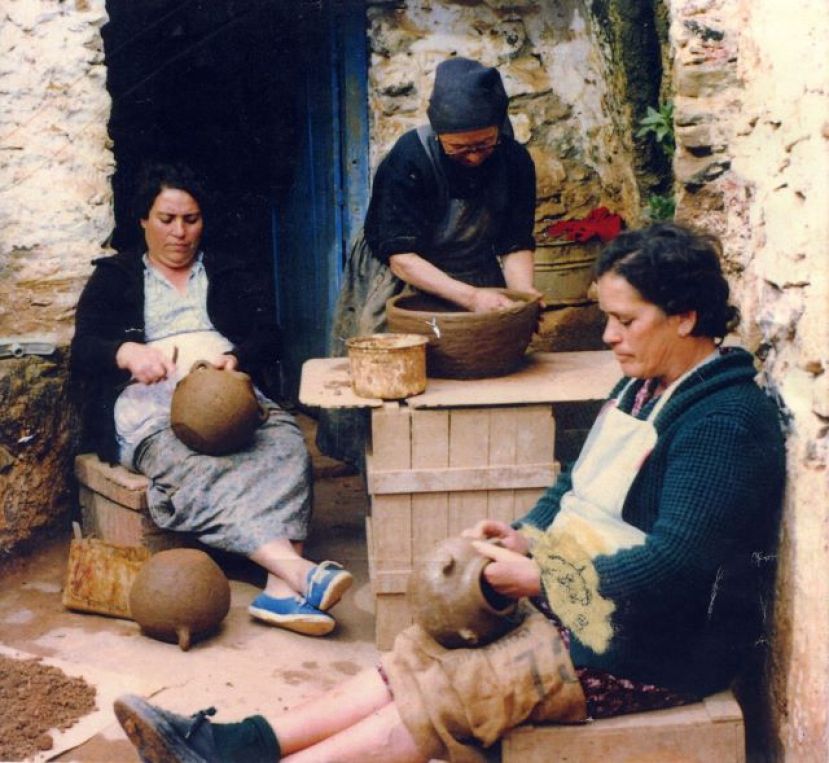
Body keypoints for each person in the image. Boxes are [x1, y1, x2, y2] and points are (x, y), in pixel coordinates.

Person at [113, 222, 786, 763]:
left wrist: (541, 573)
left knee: (460, 690)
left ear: (685, 316)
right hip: (591, 605)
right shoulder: (643, 383)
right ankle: (238, 745)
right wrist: (525, 533)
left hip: (658, 643)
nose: (607, 336)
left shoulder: (722, 420)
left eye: (624, 321)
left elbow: (677, 567)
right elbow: (573, 485)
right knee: (424, 649)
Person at [71, 162, 353, 637]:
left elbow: (269, 334)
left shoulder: (226, 270)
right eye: (166, 219)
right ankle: (298, 575)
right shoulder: (116, 277)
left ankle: (280, 594)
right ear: (143, 220)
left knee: (284, 448)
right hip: (152, 410)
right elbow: (82, 351)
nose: (180, 232)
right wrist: (127, 352)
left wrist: (235, 359)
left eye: (191, 219)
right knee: (198, 469)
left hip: (229, 400)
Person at [317, 56, 542, 466]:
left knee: (477, 370)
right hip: (400, 273)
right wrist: (471, 299)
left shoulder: (514, 161)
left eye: (483, 145)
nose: (474, 157)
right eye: (460, 149)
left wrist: (524, 298)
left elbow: (514, 240)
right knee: (391, 378)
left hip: (473, 267)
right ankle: (379, 467)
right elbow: (400, 256)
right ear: (440, 136)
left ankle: (465, 463)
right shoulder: (411, 157)